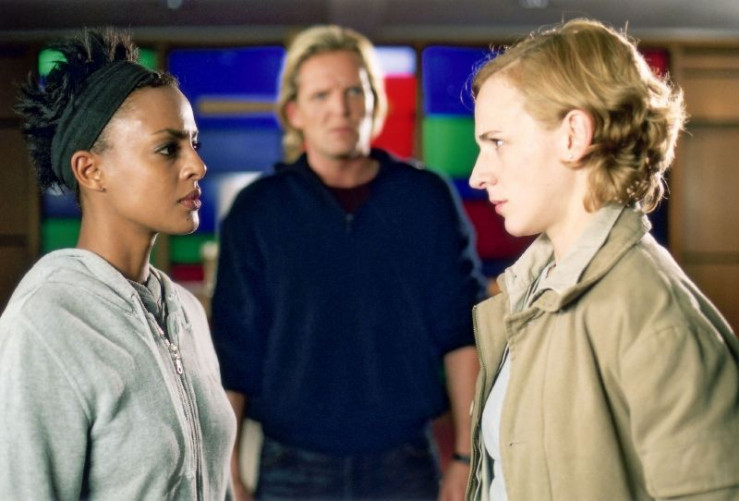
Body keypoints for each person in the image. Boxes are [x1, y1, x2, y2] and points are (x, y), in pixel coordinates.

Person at [465, 18, 739, 501]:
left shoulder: (655, 318)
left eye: (498, 142)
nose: (477, 175)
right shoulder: (534, 289)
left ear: (573, 135)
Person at [211, 25, 488, 500]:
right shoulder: (258, 209)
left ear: (375, 104)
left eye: (354, 91)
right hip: (291, 466)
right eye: (321, 95)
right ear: (294, 112)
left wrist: (465, 456)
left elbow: (461, 333)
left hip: (405, 461)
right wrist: (227, 471)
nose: (340, 108)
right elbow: (235, 349)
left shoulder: (425, 198)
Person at [0, 28, 236, 499]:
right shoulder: (45, 322)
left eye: (194, 143)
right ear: (91, 170)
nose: (197, 165)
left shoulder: (187, 312)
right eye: (168, 148)